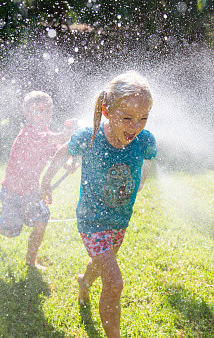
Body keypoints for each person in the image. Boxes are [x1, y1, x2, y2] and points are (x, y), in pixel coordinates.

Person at [40, 71, 156, 337]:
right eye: (126, 118)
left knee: (103, 262)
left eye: (142, 118)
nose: (134, 125)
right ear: (106, 109)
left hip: (119, 220)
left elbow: (143, 173)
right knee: (114, 283)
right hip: (91, 221)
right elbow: (61, 152)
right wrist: (45, 181)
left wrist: (134, 189)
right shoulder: (90, 136)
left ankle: (84, 281)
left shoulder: (145, 141)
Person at [0, 91, 78, 271]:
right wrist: (68, 134)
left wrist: (69, 163)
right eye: (40, 111)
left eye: (48, 111)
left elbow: (58, 154)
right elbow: (57, 139)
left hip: (31, 192)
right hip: (11, 192)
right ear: (28, 115)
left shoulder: (48, 135)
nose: (46, 115)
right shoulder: (28, 133)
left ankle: (31, 260)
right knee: (11, 231)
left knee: (42, 218)